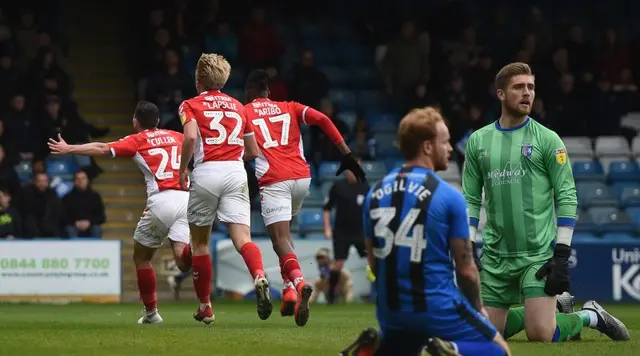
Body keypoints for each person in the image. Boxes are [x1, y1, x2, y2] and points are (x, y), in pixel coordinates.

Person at [462, 62, 630, 343]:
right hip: (494, 256)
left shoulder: (548, 139)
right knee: (483, 336)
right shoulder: (478, 141)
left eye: (531, 87)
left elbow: (566, 195)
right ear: (501, 94)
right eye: (519, 87)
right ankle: (549, 309)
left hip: (537, 255)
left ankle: (590, 315)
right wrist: (468, 245)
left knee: (540, 334)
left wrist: (561, 253)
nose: (527, 93)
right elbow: (469, 197)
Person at [342, 107, 510, 356]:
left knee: (411, 347)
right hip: (437, 307)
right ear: (428, 147)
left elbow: (376, 266)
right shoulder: (449, 196)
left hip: (390, 313)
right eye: (445, 141)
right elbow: (466, 271)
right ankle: (451, 350)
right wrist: (478, 309)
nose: (451, 148)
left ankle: (380, 349)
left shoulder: (375, 194)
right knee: (499, 350)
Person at [48, 101, 193, 324]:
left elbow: (102, 148)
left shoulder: (137, 140)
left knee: (142, 258)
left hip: (162, 199)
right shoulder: (178, 136)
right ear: (157, 120)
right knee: (183, 262)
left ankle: (151, 313)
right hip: (186, 199)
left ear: (136, 120)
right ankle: (198, 251)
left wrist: (70, 149)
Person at [243, 69, 365, 326]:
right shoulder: (290, 106)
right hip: (301, 178)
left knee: (279, 240)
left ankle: (298, 283)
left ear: (249, 93)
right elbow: (323, 118)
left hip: (275, 179)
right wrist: (346, 153)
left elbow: (248, 151)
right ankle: (288, 290)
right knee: (285, 238)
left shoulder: (245, 112)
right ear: (269, 93)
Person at [179, 53, 270, 324]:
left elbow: (191, 136)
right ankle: (259, 275)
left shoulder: (189, 105)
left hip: (206, 172)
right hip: (234, 172)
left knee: (199, 243)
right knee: (243, 238)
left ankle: (205, 307)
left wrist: (184, 167)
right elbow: (253, 151)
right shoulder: (239, 107)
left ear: (198, 80)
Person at [323, 157, 370, 304]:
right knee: (338, 264)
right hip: (342, 232)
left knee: (372, 260)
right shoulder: (338, 187)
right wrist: (327, 228)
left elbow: (371, 210)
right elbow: (327, 208)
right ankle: (331, 295)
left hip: (361, 231)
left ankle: (377, 294)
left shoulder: (365, 187)